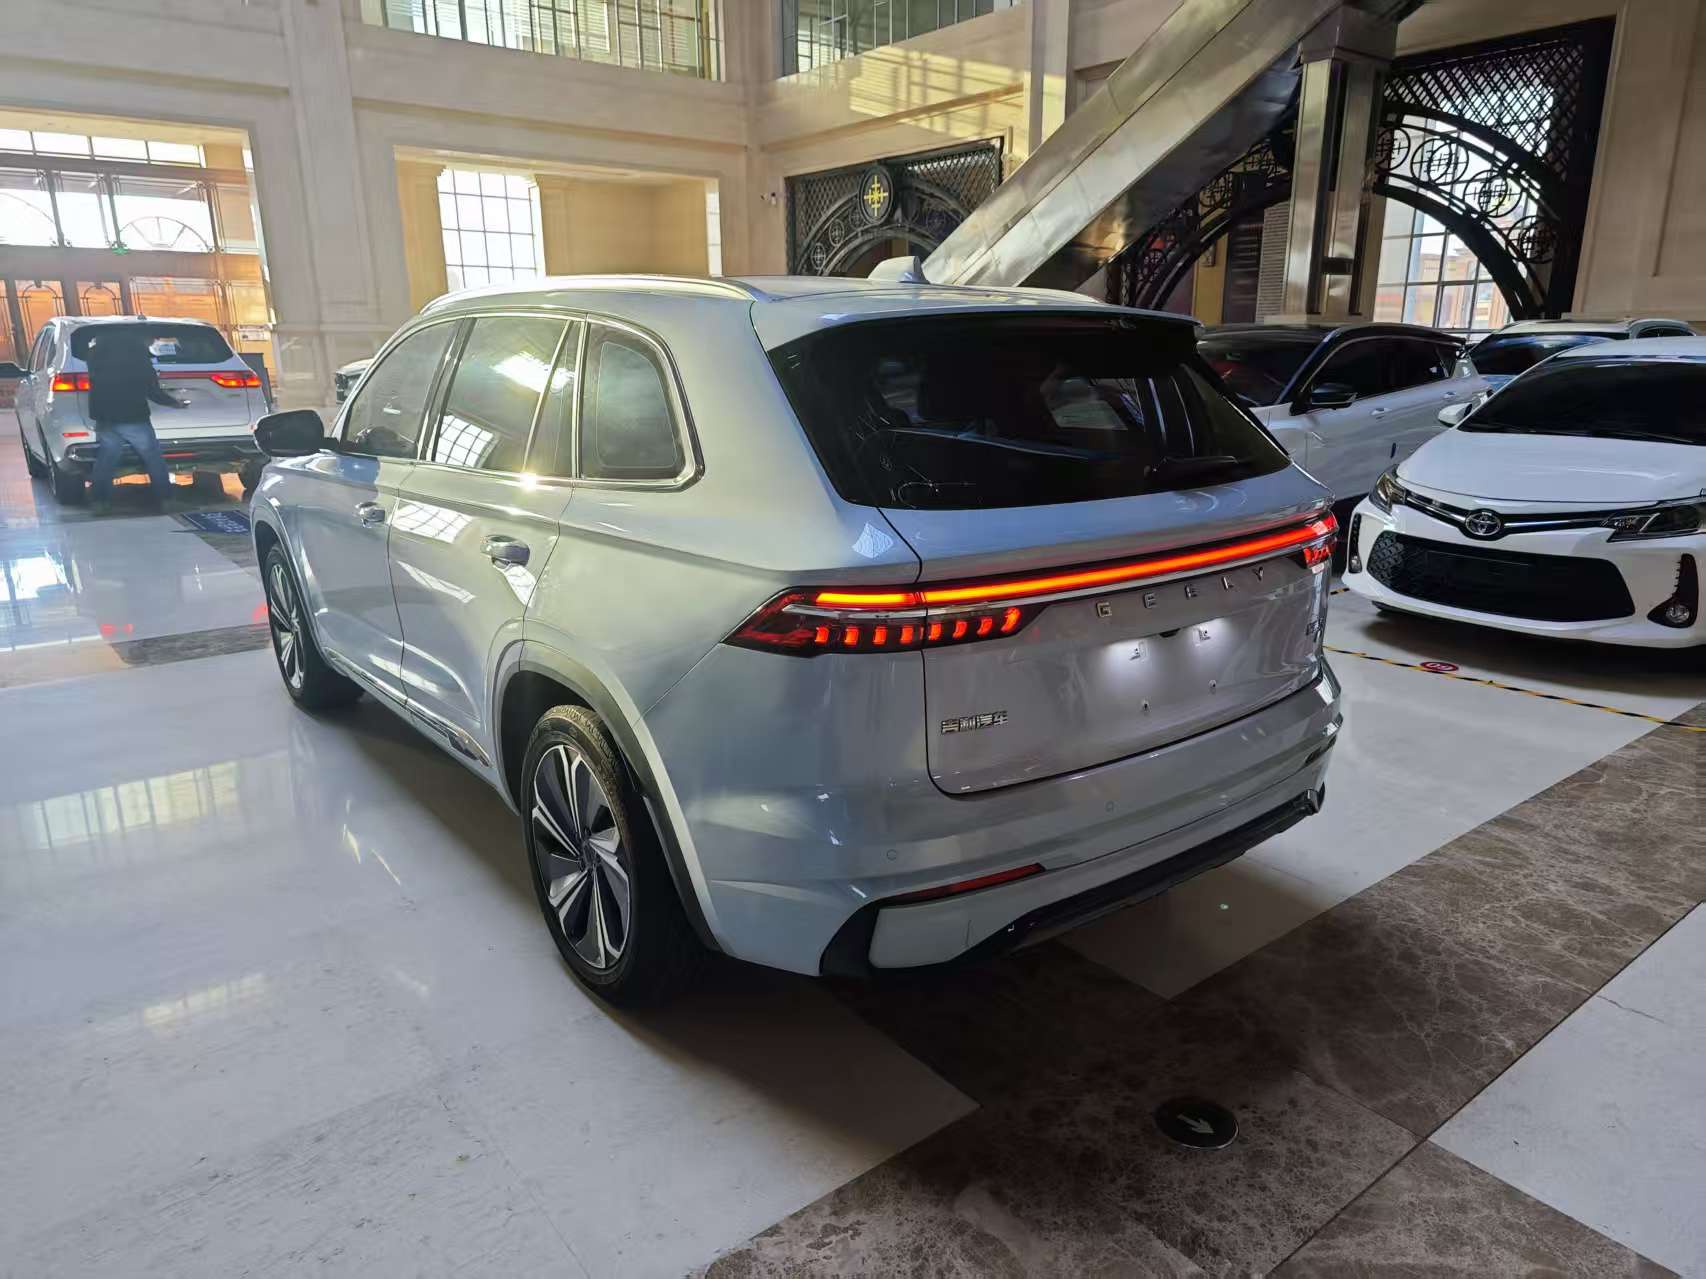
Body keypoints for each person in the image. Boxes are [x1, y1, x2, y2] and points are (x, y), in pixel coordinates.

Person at [84, 327, 185, 512]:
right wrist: (174, 403)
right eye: (152, 339)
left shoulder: (96, 356)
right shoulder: (138, 358)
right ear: (141, 338)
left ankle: (99, 502)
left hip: (105, 417)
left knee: (106, 459)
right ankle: (166, 499)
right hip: (133, 415)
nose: (153, 342)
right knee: (153, 457)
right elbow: (152, 391)